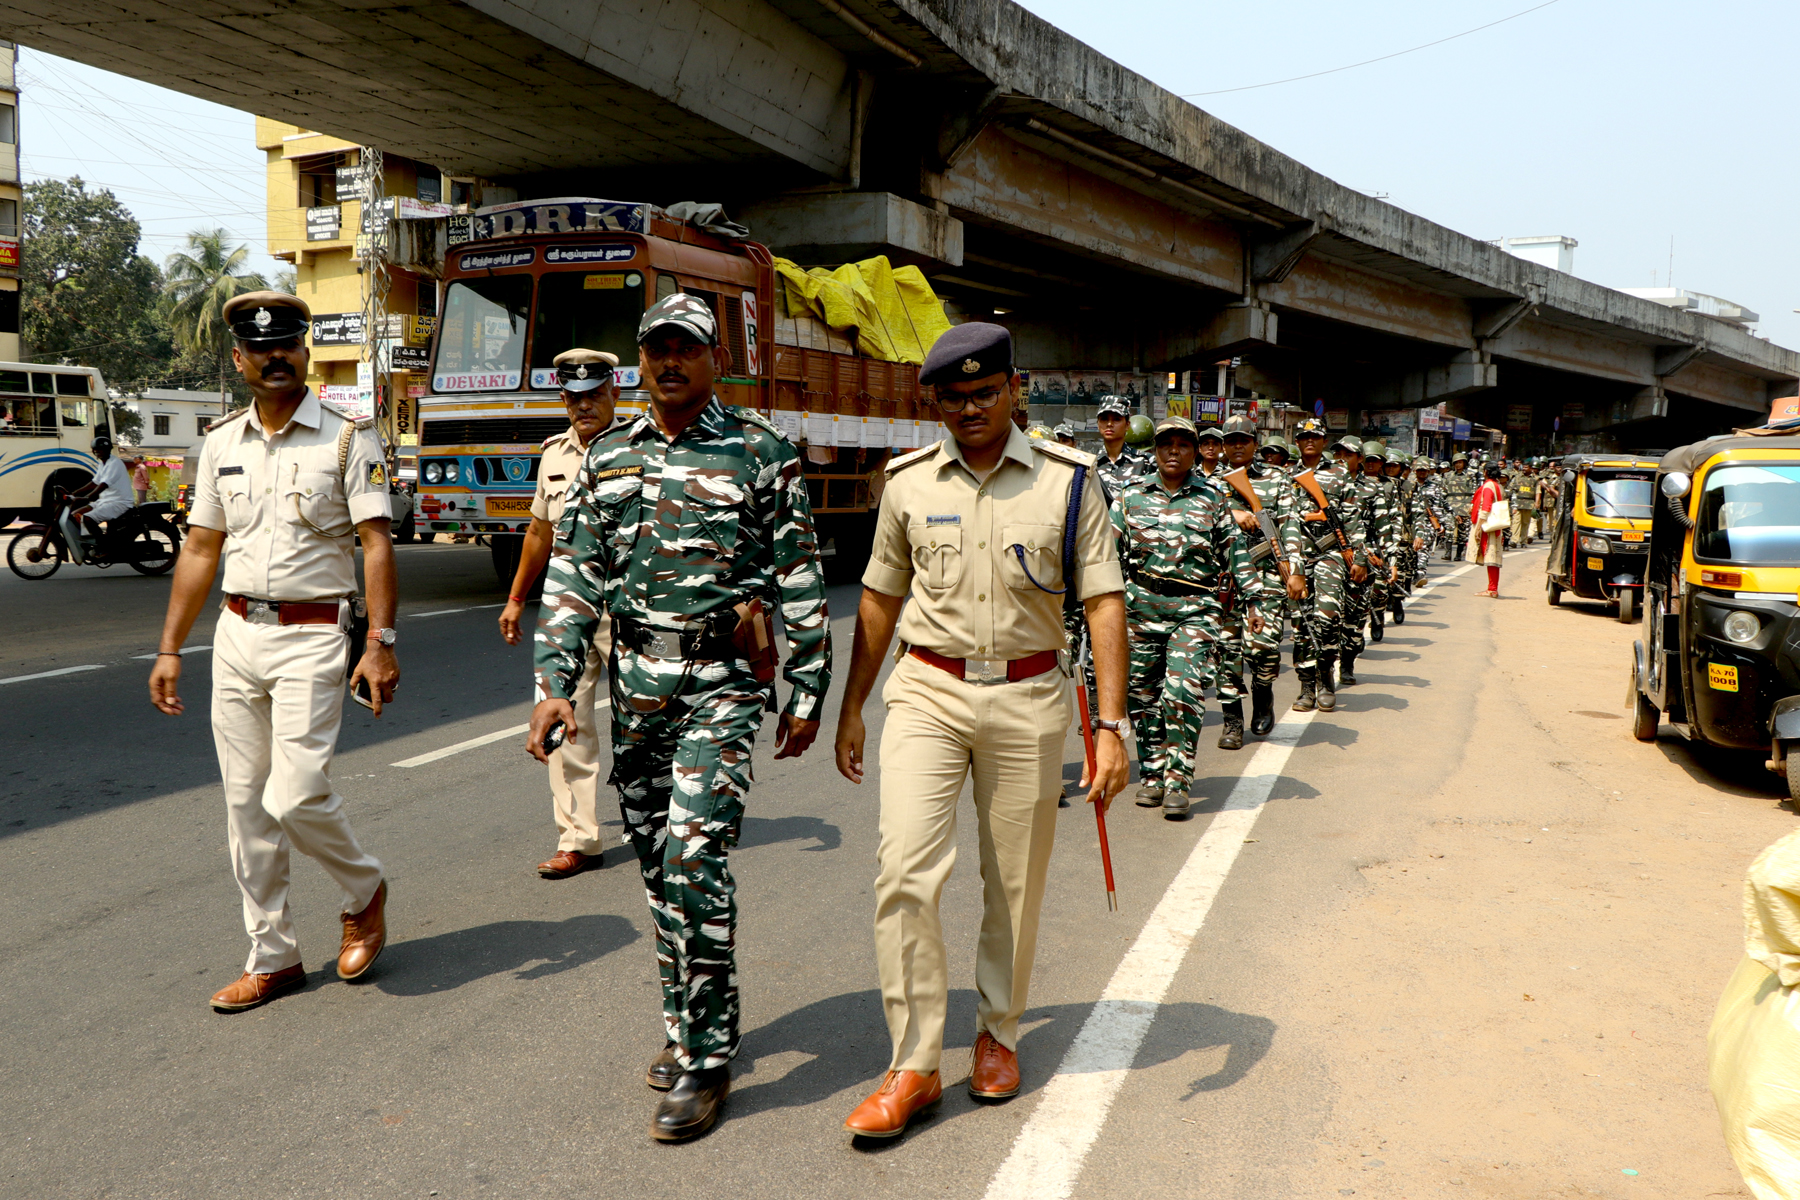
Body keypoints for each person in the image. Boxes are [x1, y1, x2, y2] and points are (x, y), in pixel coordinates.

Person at [528, 293, 831, 1143]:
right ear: (642, 359)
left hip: (722, 680)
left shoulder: (760, 451)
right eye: (656, 349)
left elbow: (800, 578)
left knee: (696, 857)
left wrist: (806, 690)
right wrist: (554, 683)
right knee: (661, 870)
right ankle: (690, 1018)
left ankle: (705, 1056)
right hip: (635, 687)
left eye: (684, 349)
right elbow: (574, 576)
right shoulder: (608, 455)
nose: (669, 363)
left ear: (711, 358)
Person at [832, 322, 1127, 1140]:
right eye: (953, 399)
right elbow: (881, 600)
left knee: (1014, 882)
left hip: (1030, 697)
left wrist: (1111, 724)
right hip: (927, 690)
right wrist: (853, 705)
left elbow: (1103, 601)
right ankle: (915, 1064)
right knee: (903, 870)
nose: (969, 409)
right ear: (936, 403)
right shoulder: (905, 484)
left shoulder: (1070, 484)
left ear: (1014, 389)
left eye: (983, 394)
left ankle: (997, 1034)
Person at [147, 291, 397, 1013]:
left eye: (285, 343)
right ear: (239, 359)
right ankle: (274, 956)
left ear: (306, 350)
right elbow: (200, 548)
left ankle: (362, 887)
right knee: (245, 805)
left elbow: (376, 545)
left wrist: (379, 642)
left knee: (295, 794)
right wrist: (169, 647)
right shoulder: (222, 442)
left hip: (315, 634)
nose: (273, 356)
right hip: (235, 636)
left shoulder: (349, 439)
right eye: (258, 348)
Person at [498, 349, 621, 879]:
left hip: (630, 609)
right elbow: (539, 532)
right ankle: (578, 839)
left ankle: (664, 820)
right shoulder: (553, 455)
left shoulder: (643, 450)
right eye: (574, 397)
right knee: (564, 717)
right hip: (566, 612)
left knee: (648, 720)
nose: (584, 406)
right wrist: (516, 596)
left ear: (614, 392)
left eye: (594, 394)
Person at [1117, 416, 1264, 814]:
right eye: (1167, 444)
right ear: (1156, 449)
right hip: (1141, 609)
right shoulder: (1130, 497)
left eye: (1184, 445)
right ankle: (1152, 774)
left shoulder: (1213, 497)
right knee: (1143, 696)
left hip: (1195, 611)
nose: (1174, 451)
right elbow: (1106, 557)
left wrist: (1254, 600)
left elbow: (1235, 552)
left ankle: (1179, 780)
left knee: (1181, 691)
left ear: (1194, 451)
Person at [1212, 415, 1304, 738]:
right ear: (1223, 445)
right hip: (1222, 579)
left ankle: (1263, 694)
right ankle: (1232, 722)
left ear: (1255, 444)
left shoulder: (1277, 479)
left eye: (1244, 440)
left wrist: (1296, 570)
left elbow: (1291, 523)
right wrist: (1231, 513)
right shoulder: (1207, 481)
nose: (1238, 445)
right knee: (1226, 652)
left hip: (1265, 573)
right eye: (1232, 440)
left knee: (1264, 648)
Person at [1288, 419, 1365, 713]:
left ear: (1323, 441)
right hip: (1297, 556)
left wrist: (1358, 557)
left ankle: (1326, 679)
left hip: (1330, 554)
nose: (1309, 441)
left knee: (1329, 616)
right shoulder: (1285, 475)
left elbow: (1353, 519)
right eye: (1304, 436)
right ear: (1297, 442)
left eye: (1315, 436)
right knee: (1301, 624)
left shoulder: (1339, 473)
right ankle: (1307, 686)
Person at [68, 435, 134, 539]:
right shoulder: (102, 463)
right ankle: (89, 541)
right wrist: (73, 494)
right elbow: (95, 482)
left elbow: (103, 485)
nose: (97, 451)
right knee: (75, 514)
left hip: (119, 502)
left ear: (108, 450)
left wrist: (87, 498)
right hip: (105, 501)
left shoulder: (114, 463)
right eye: (95, 449)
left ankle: (103, 546)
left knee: (88, 518)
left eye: (100, 449)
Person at [1470, 460, 1506, 596]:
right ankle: (1492, 588)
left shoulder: (1488, 486)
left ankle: (1492, 589)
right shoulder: (1497, 485)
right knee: (1492, 556)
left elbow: (1485, 508)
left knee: (1490, 556)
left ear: (1485, 472)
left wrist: (1479, 527)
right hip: (1495, 524)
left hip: (1488, 525)